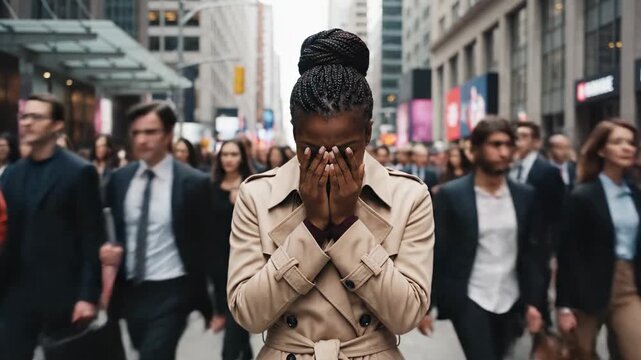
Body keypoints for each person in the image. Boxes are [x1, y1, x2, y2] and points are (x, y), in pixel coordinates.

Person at [226, 29, 434, 360]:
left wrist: (349, 225)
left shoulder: (408, 196)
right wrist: (311, 228)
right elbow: (249, 315)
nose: (328, 161)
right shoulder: (257, 195)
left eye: (346, 149)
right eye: (312, 148)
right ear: (294, 133)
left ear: (367, 132)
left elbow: (406, 314)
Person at [102, 101, 217, 360]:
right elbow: (107, 228)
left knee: (154, 355)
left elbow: (210, 244)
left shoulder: (193, 183)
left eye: (150, 132)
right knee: (142, 348)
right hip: (131, 288)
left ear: (168, 134)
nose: (141, 140)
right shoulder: (120, 180)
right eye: (136, 133)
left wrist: (219, 304)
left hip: (173, 288)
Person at [428, 117, 545, 360]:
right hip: (470, 296)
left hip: (512, 298)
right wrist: (427, 305)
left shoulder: (525, 195)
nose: (504, 152)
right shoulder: (452, 195)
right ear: (476, 149)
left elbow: (532, 253)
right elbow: (439, 251)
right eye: (495, 144)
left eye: (508, 145)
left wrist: (536, 302)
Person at [0, 94, 103, 359]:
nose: (28, 123)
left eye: (37, 117)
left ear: (57, 125)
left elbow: (92, 237)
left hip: (63, 294)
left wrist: (87, 296)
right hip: (15, 294)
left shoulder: (79, 172)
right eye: (24, 116)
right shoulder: (12, 174)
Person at [556, 120, 641, 360]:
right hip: (586, 290)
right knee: (581, 354)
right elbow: (568, 253)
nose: (627, 148)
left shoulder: (635, 194)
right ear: (602, 150)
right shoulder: (583, 196)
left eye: (631, 143)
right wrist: (563, 306)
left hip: (628, 286)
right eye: (618, 142)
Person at [510, 121, 565, 323]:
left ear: (535, 142)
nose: (518, 141)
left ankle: (542, 336)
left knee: (538, 294)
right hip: (513, 240)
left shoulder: (547, 171)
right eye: (516, 136)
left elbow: (558, 211)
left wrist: (552, 247)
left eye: (524, 136)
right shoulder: (510, 167)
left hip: (539, 242)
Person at [211, 140, 253, 360]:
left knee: (234, 328)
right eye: (225, 154)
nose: (229, 159)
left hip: (244, 263)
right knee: (236, 325)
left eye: (234, 154)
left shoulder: (251, 187)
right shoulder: (210, 187)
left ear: (242, 157)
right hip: (218, 264)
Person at [91, 135, 119, 202]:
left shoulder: (114, 168)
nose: (100, 149)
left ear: (109, 148)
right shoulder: (90, 165)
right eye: (97, 146)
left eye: (103, 146)